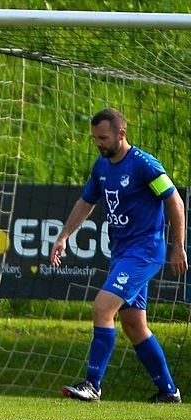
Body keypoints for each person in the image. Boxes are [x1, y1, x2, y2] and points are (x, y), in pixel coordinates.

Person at [50, 108, 187, 403]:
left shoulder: (144, 165)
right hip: (122, 253)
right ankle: (169, 392)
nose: (98, 143)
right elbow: (86, 202)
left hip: (145, 251)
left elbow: (174, 199)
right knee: (134, 324)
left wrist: (178, 245)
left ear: (121, 134)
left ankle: (93, 384)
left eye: (103, 137)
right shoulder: (102, 167)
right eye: (95, 138)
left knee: (102, 308)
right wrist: (63, 236)